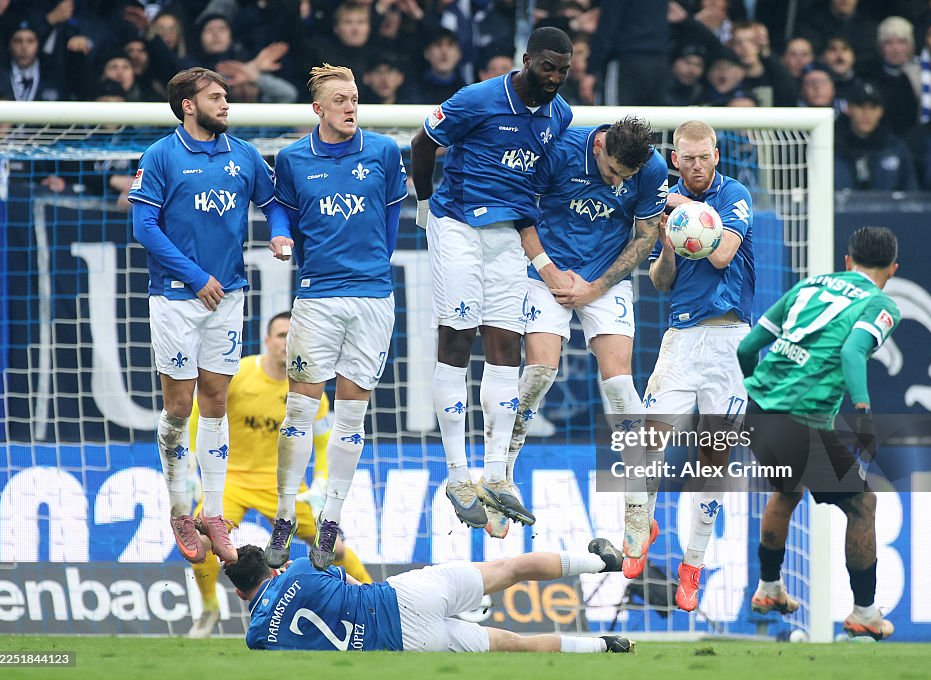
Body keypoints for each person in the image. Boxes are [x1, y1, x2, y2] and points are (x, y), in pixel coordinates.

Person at [409, 27, 573, 532]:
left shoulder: (560, 116)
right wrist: (422, 203)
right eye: (547, 66)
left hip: (507, 239)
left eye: (563, 70)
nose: (554, 78)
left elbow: (535, 183)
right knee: (456, 340)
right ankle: (457, 474)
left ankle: (497, 473)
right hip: (458, 224)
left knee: (506, 347)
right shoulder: (477, 99)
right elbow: (422, 143)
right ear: (526, 60)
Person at [128, 67, 289, 565]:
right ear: (188, 105)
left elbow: (275, 202)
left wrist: (279, 232)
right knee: (179, 408)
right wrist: (195, 276)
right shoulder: (160, 156)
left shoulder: (242, 154)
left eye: (227, 96)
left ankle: (212, 514)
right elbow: (144, 226)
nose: (226, 104)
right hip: (177, 298)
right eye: (216, 97)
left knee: (216, 399)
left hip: (229, 297)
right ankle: (180, 509)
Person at [267, 63, 407, 572]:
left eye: (355, 98)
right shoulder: (292, 158)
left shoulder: (384, 153)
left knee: (351, 414)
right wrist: (281, 234)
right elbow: (280, 208)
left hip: (372, 297)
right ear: (318, 108)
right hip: (318, 295)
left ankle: (331, 519)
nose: (351, 107)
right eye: (341, 99)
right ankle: (284, 515)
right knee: (301, 409)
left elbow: (391, 221)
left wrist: (371, 266)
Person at [506, 116, 667, 541]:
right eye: (612, 172)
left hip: (602, 278)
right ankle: (502, 472)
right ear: (599, 148)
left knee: (619, 384)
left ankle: (636, 505)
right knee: (540, 374)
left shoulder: (651, 169)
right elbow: (522, 215)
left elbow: (646, 235)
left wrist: (595, 287)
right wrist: (551, 272)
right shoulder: (558, 149)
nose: (617, 184)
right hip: (547, 271)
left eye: (625, 178)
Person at [737, 226, 901, 641]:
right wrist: (863, 413)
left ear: (848, 261)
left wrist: (763, 395)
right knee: (863, 504)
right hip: (801, 419)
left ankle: (769, 589)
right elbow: (852, 351)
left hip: (757, 410)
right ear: (892, 270)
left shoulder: (809, 286)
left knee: (787, 490)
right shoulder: (879, 303)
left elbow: (746, 347)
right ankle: (864, 613)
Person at [186, 311, 372, 639]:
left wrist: (322, 482)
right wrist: (190, 460)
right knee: (200, 542)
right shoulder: (241, 374)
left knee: (335, 549)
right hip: (234, 481)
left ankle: (373, 599)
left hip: (283, 488)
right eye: (281, 335)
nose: (286, 343)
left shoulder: (310, 389)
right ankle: (210, 608)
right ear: (268, 341)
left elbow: (325, 438)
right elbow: (200, 412)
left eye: (292, 336)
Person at [640, 120, 755, 607]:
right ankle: (641, 524)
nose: (697, 166)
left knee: (714, 456)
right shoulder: (662, 203)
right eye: (687, 158)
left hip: (730, 343)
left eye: (704, 157)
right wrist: (668, 243)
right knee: (645, 439)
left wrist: (684, 209)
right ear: (674, 158)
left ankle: (693, 564)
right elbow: (660, 280)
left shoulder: (733, 195)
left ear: (715, 155)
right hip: (682, 339)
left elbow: (724, 253)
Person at [226, 539, 636, 653]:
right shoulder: (298, 568)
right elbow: (349, 584)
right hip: (402, 599)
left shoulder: (257, 637)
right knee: (508, 570)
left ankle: (603, 647)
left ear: (243, 594)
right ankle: (603, 564)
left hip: (404, 645)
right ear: (273, 567)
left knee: (514, 644)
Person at [835, 82, 918, 191]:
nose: (867, 114)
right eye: (860, 106)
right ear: (848, 109)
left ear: (881, 111)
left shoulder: (895, 149)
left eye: (873, 108)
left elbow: (910, 192)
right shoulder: (832, 146)